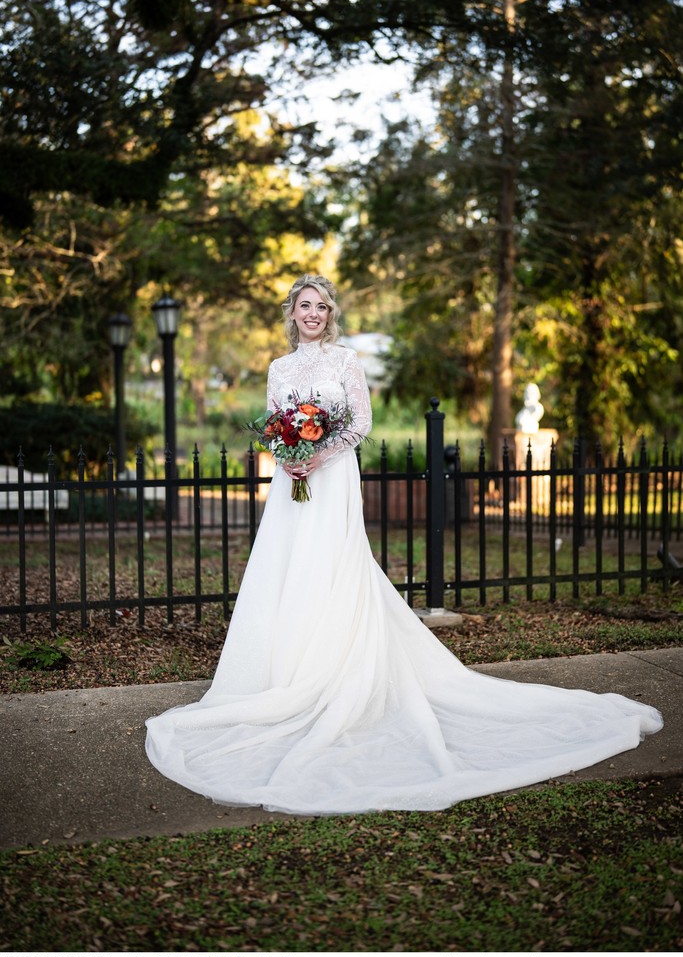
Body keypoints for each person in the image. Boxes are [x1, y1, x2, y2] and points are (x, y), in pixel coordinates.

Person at [145, 274, 663, 814]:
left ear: (330, 313)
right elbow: (276, 427)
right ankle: (284, 673)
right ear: (291, 312)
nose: (314, 314)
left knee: (334, 565)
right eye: (306, 305)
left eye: (322, 306)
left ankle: (335, 668)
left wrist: (321, 453)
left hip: (335, 475)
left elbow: (361, 422)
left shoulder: (346, 360)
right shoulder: (279, 368)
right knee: (288, 566)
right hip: (292, 482)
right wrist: (289, 454)